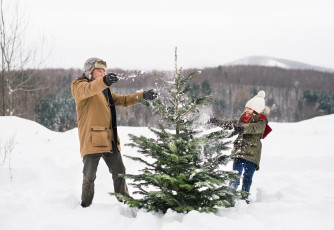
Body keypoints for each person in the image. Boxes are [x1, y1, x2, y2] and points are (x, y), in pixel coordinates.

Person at [71, 57, 157, 208]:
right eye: (99, 70)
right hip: (91, 140)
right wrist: (104, 81)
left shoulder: (104, 90)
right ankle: (85, 206)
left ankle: (125, 203)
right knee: (89, 176)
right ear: (89, 71)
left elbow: (123, 100)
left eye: (104, 71)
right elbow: (89, 89)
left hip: (109, 139)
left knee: (120, 172)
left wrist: (143, 95)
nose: (102, 73)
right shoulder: (79, 86)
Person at [209, 90, 272, 203]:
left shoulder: (261, 122)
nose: (246, 110)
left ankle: (244, 198)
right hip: (239, 152)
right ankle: (229, 197)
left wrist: (242, 128)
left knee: (247, 179)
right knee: (235, 176)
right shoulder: (242, 119)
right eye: (246, 108)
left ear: (256, 111)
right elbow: (230, 124)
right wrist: (216, 121)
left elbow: (254, 128)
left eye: (249, 108)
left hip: (252, 154)